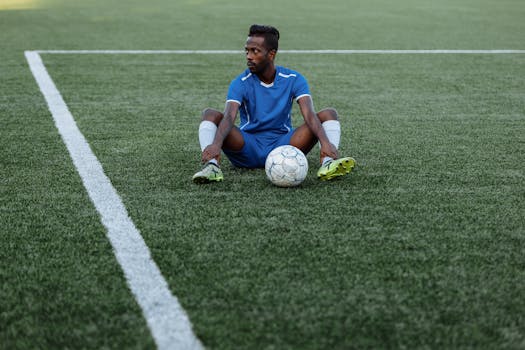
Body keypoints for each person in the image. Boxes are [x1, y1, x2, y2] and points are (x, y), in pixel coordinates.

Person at [192, 24, 355, 183]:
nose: (249, 56)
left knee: (329, 114)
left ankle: (328, 162)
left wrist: (326, 144)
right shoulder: (240, 82)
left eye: (255, 51)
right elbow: (228, 117)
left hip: (284, 144)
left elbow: (309, 115)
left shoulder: (293, 79)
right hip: (248, 146)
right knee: (210, 114)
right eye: (247, 51)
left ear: (271, 54)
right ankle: (211, 166)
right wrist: (215, 145)